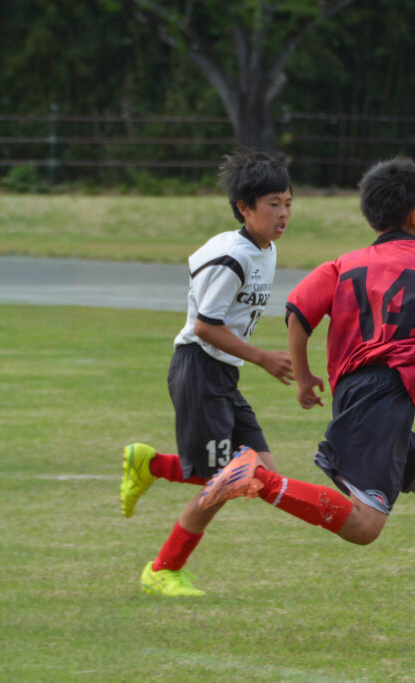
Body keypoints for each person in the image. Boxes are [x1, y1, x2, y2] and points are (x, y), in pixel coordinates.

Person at [197, 157, 415, 640]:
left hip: (360, 396)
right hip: (383, 398)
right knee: (365, 526)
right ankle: (257, 479)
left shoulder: (344, 264)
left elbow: (298, 312)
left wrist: (305, 377)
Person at [119, 149, 295, 596]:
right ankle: (163, 569)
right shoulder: (232, 257)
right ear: (244, 207)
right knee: (228, 480)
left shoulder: (266, 250)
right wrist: (262, 357)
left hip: (223, 375)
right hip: (199, 370)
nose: (283, 214)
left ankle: (151, 464)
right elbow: (204, 327)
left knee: (259, 475)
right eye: (273, 204)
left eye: (288, 203)